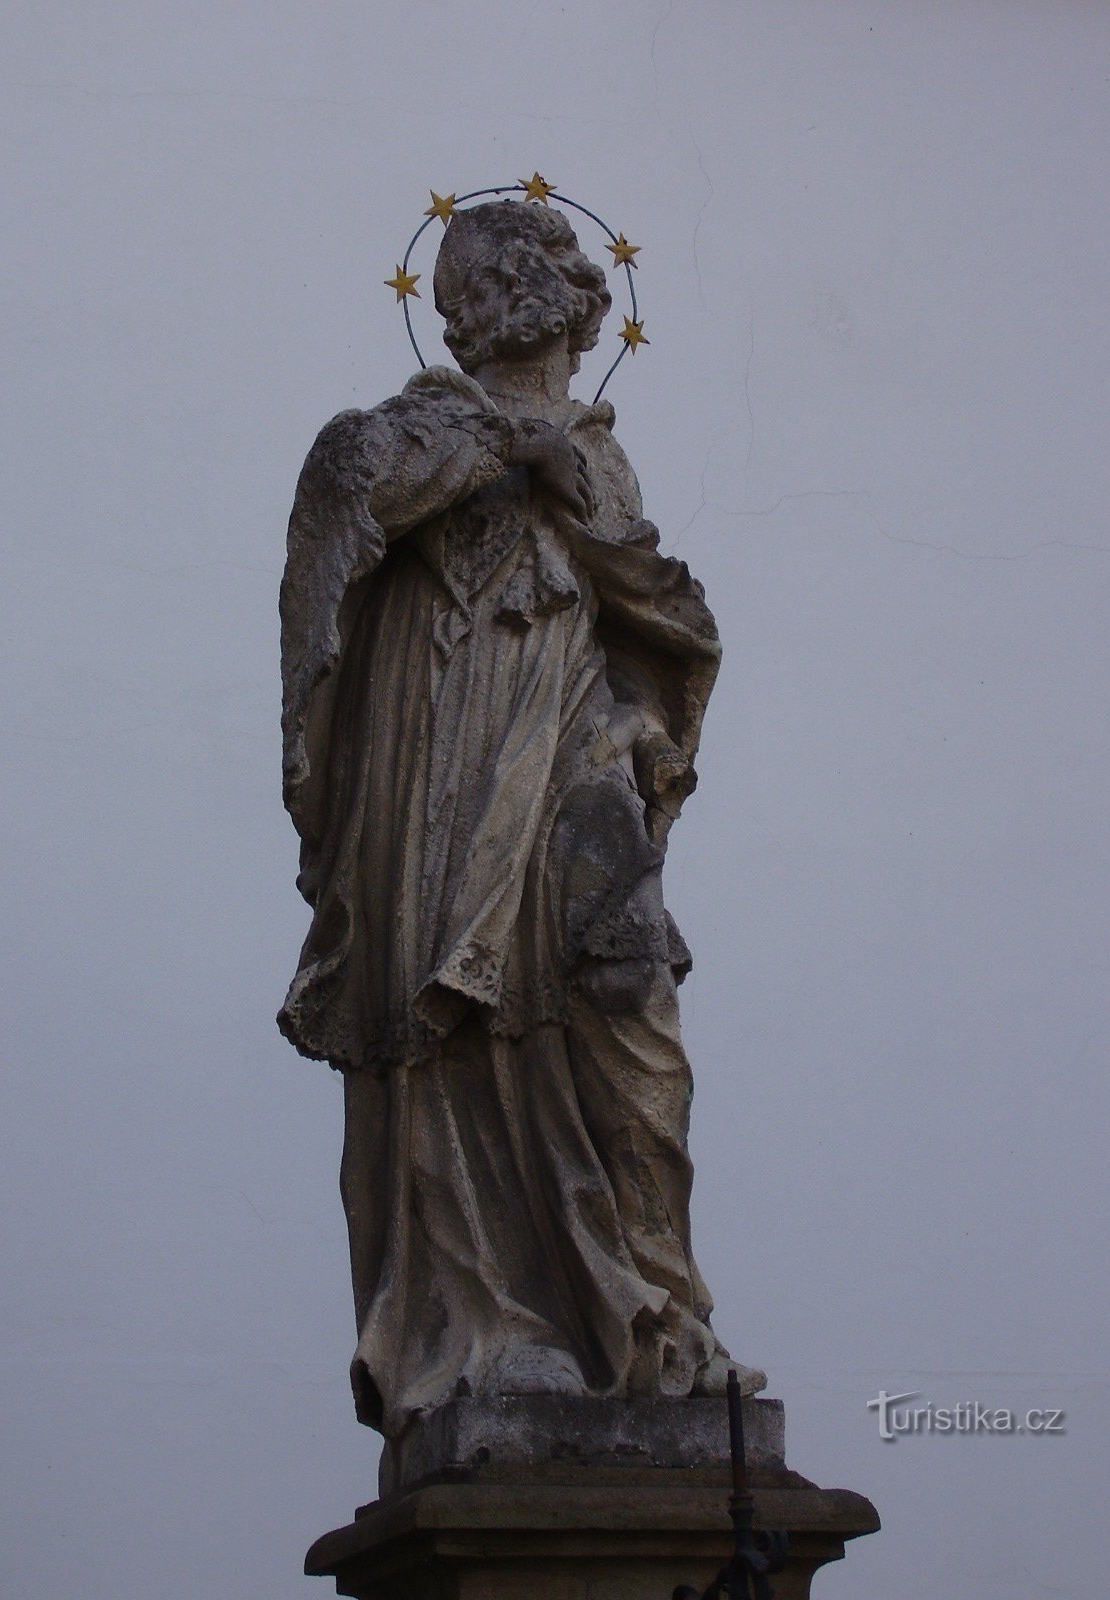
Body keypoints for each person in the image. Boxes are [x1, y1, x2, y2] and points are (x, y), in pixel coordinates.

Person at [278, 200, 764, 1438]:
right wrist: (495, 453)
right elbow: (345, 484)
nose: (512, 287)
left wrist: (572, 492)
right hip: (440, 764)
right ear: (456, 311)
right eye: (483, 273)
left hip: (574, 749)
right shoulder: (422, 424)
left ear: (576, 295)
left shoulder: (602, 454)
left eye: (535, 264)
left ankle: (655, 1310)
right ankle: (496, 1321)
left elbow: (667, 611)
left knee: (628, 999)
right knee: (454, 1020)